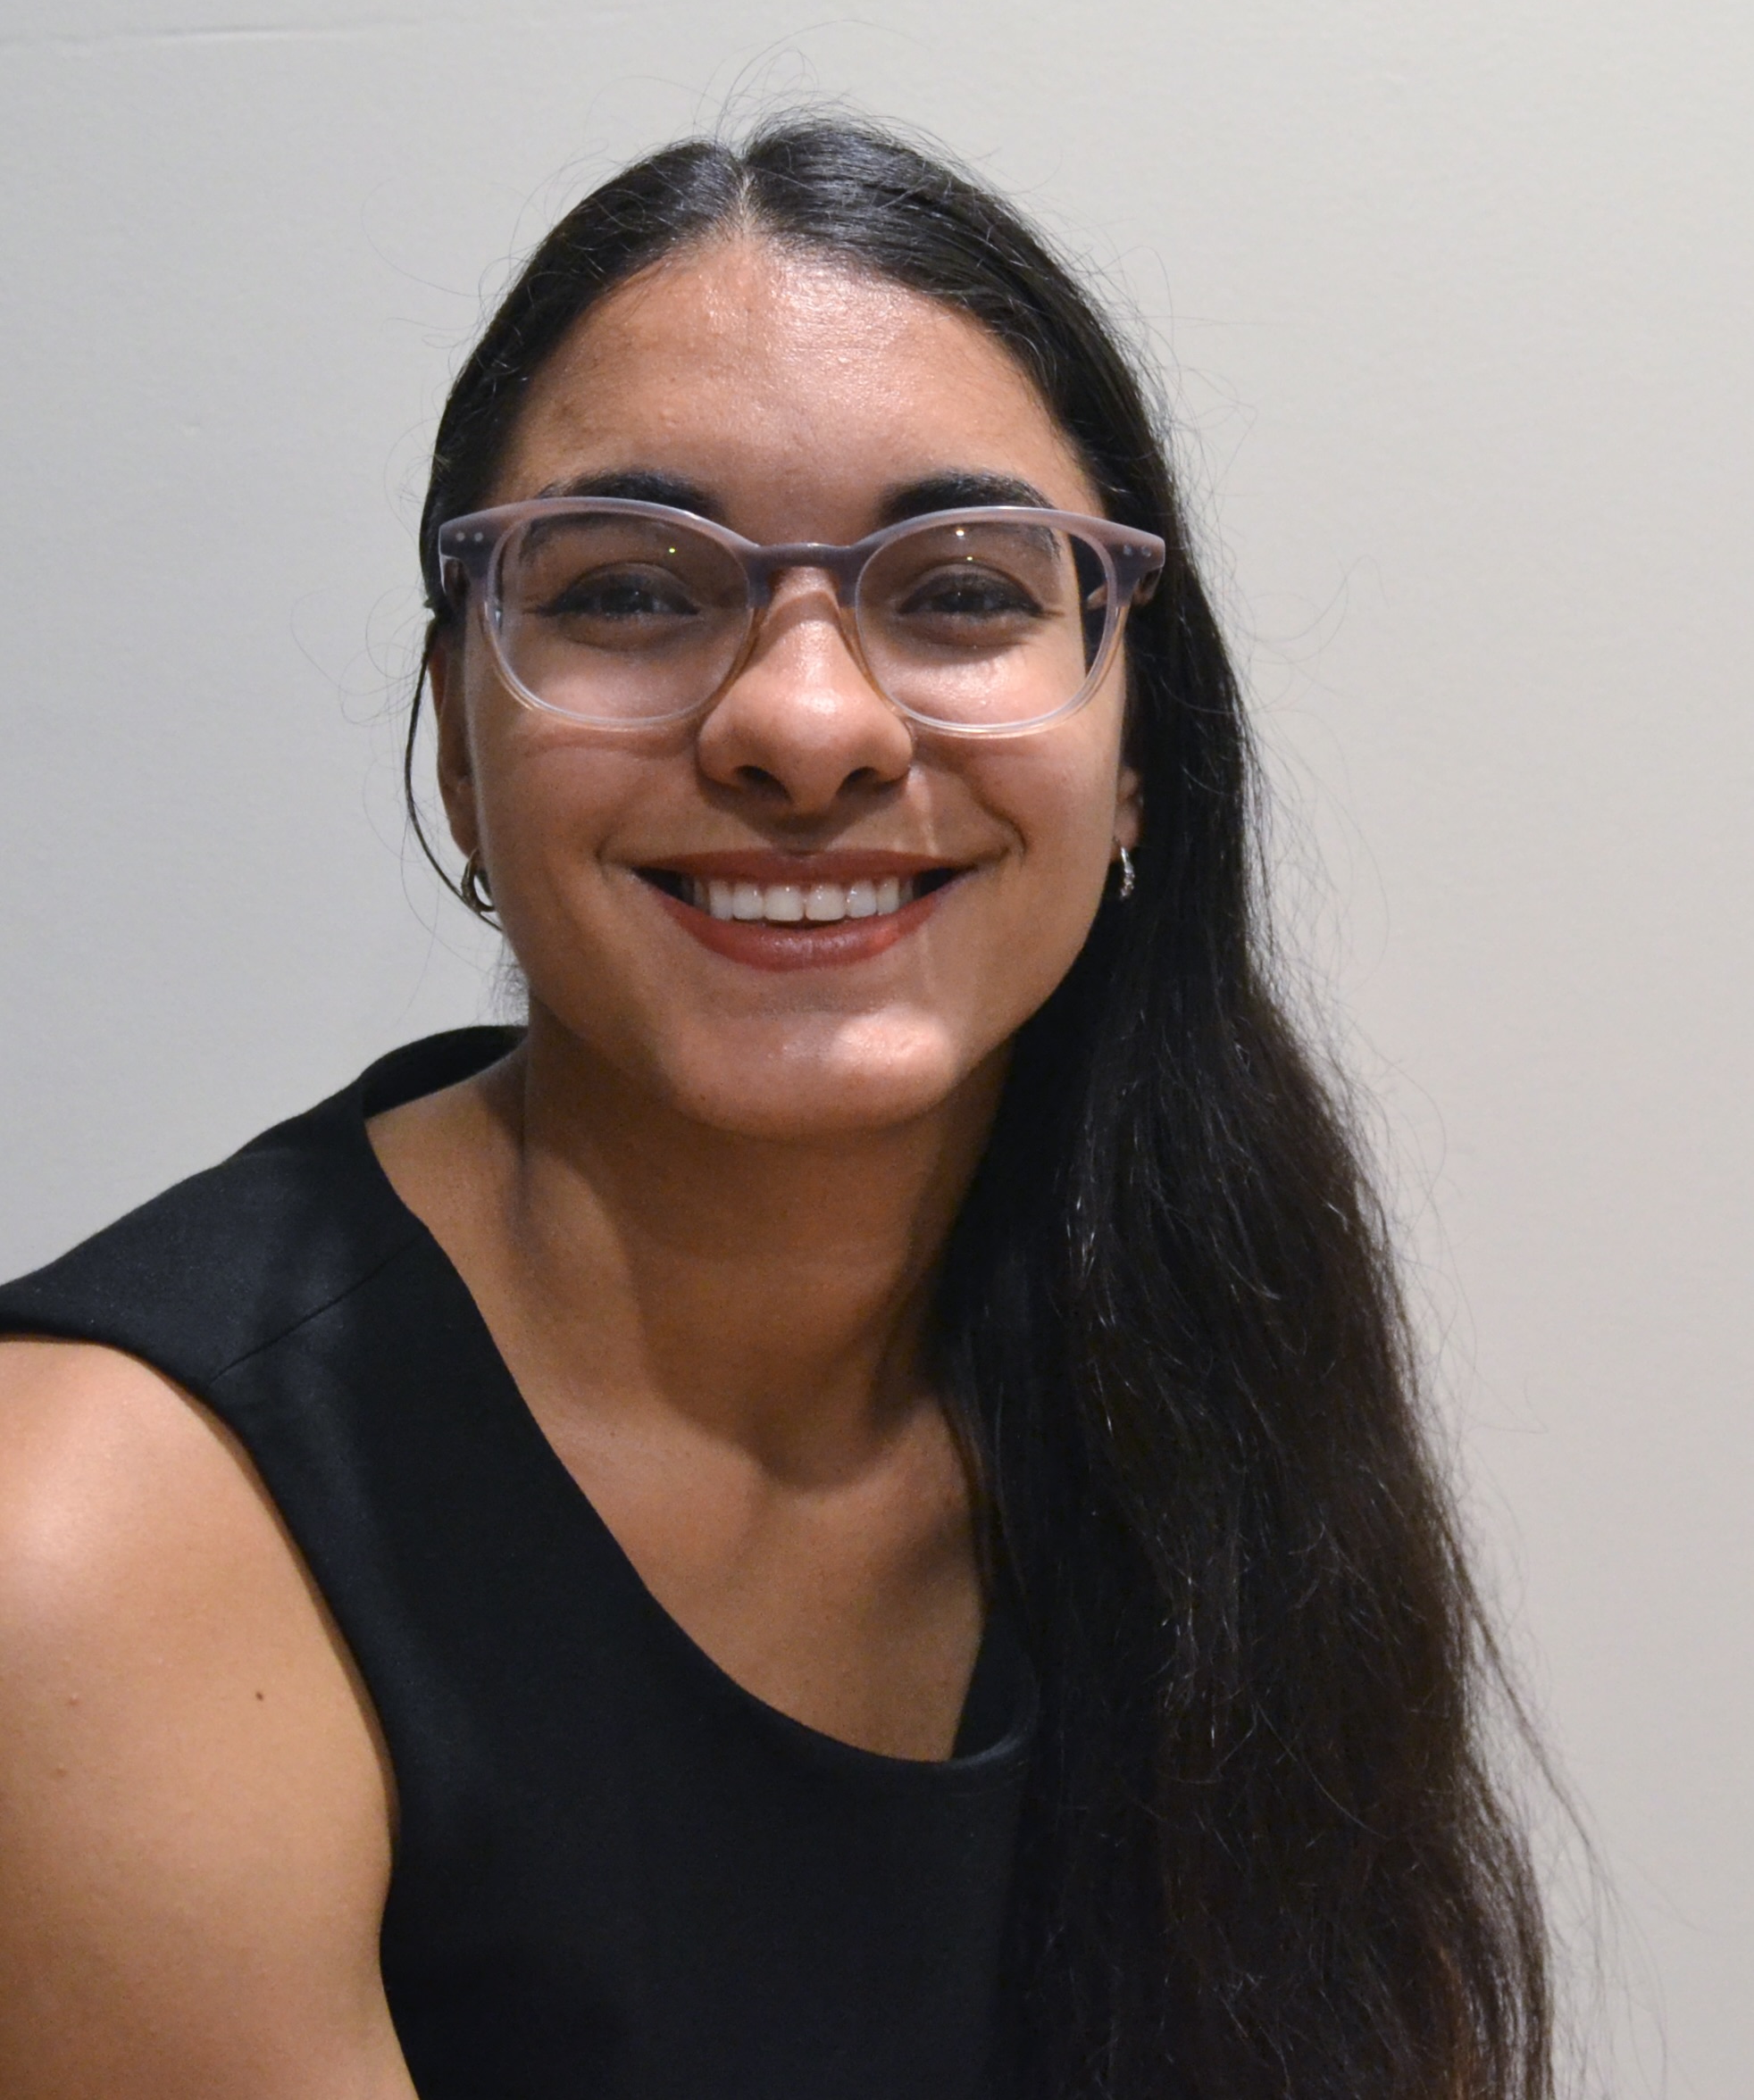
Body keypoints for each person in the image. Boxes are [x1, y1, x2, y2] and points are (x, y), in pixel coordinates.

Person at [0, 118, 1553, 2100]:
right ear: (459, 741)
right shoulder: (92, 1551)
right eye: (633, 591)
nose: (806, 729)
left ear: (1135, 752)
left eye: (962, 590)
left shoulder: (1198, 1352)